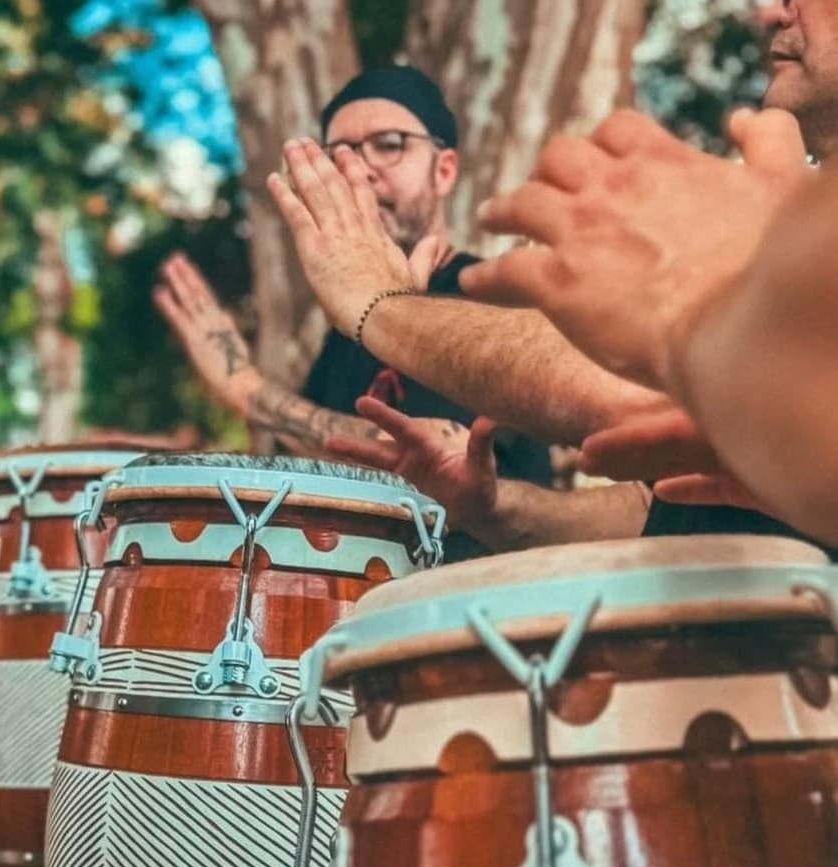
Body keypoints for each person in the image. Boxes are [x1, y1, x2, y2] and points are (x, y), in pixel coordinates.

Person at [266, 3, 838, 553]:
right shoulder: (801, 235)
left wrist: (380, 307)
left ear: (446, 168)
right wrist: (494, 508)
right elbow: (665, 505)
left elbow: (634, 396)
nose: (773, 10)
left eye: (388, 145)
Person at [153, 66, 552, 519]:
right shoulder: (348, 329)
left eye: (389, 144)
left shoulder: (492, 295)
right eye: (339, 154)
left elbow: (436, 456)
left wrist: (246, 389)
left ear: (443, 171)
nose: (359, 170)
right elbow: (309, 474)